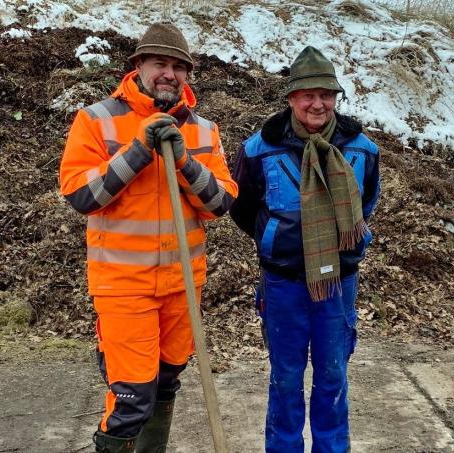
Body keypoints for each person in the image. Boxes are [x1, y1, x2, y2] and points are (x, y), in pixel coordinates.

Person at [59, 22, 238, 453]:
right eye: (160, 63)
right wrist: (139, 149)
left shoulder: (202, 130)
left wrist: (184, 164)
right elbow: (83, 195)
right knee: (131, 398)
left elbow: (220, 203)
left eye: (179, 67)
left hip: (182, 287)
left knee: (166, 382)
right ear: (138, 66)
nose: (169, 74)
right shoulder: (96, 120)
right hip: (124, 288)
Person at [230, 46, 381, 453]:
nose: (318, 103)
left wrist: (338, 245)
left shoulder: (361, 148)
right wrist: (276, 237)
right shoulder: (259, 149)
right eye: (308, 95)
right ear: (292, 98)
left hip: (338, 284)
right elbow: (241, 206)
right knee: (286, 376)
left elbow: (366, 203)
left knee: (333, 376)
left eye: (326, 95)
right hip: (283, 284)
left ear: (335, 98)